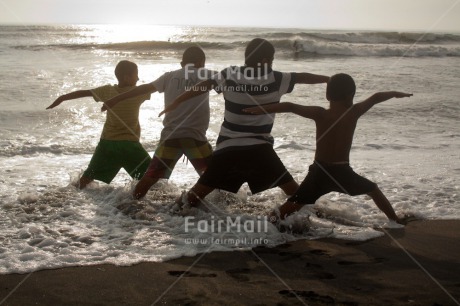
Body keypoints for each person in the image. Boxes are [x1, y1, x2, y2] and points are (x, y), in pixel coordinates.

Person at [159, 38, 329, 209]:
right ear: (264, 61)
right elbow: (303, 77)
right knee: (297, 195)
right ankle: (318, 219)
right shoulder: (276, 79)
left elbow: (204, 86)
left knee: (194, 197)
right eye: (271, 60)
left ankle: (163, 217)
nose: (271, 64)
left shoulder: (229, 74)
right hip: (261, 150)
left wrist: (177, 101)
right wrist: (329, 79)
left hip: (228, 149)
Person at [243, 73, 413, 224]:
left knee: (291, 206)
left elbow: (289, 106)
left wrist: (259, 109)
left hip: (319, 172)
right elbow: (376, 97)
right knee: (373, 190)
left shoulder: (320, 113)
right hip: (341, 172)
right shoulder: (353, 112)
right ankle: (394, 220)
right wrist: (395, 94)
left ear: (327, 95)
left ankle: (263, 225)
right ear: (350, 95)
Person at [102, 46, 214, 199]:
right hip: (195, 138)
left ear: (182, 64)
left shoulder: (169, 76)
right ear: (202, 62)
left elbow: (143, 88)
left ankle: (129, 203)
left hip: (170, 137)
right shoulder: (208, 75)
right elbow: (235, 85)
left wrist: (116, 98)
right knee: (213, 176)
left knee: (151, 177)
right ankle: (189, 201)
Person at [46, 60, 152, 189]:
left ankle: (65, 197)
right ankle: (146, 203)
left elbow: (84, 93)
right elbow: (161, 86)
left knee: (85, 179)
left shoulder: (107, 91)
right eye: (136, 75)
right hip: (130, 145)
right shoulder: (138, 92)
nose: (138, 78)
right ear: (127, 77)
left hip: (108, 143)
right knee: (151, 178)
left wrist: (62, 97)